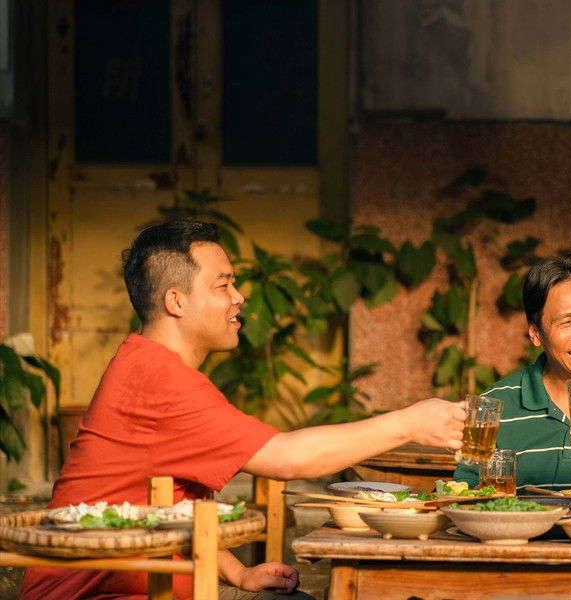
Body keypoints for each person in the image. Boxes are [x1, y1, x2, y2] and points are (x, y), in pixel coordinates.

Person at [20, 220, 466, 600]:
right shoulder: (159, 380)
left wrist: (237, 573)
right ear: (176, 302)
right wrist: (408, 423)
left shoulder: (150, 365)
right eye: (223, 285)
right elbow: (287, 458)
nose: (239, 297)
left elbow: (162, 505)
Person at [454, 253, 571, 493]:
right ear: (535, 334)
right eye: (567, 322)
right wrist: (481, 494)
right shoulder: (492, 405)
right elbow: (462, 491)